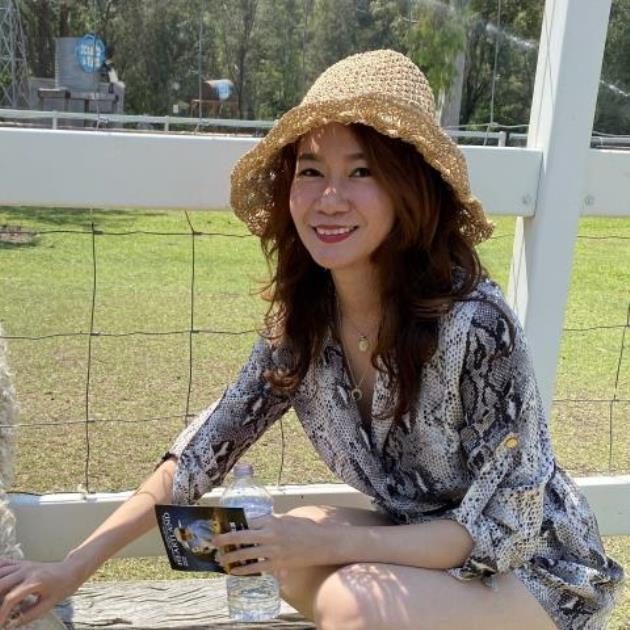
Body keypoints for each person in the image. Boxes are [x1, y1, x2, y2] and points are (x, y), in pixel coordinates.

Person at [0, 49, 624, 629]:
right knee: (273, 545)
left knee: (352, 598)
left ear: (409, 188)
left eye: (361, 171)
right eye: (311, 170)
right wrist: (70, 568)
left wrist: (333, 546)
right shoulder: (306, 323)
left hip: (533, 566)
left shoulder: (475, 324)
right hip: (420, 535)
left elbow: (504, 530)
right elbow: (201, 452)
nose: (329, 199)